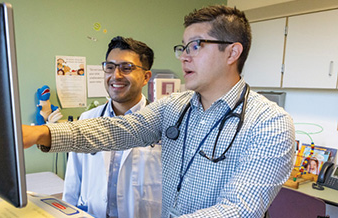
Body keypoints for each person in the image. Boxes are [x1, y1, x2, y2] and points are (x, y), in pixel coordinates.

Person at [23, 5, 295, 218]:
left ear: (232, 52)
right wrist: (39, 133)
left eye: (196, 46)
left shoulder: (269, 124)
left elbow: (241, 209)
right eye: (183, 47)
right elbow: (117, 130)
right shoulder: (174, 107)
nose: (184, 56)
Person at [62, 36, 162, 218]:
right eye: (110, 67)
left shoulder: (162, 124)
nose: (116, 75)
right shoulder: (88, 119)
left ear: (146, 77)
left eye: (127, 68)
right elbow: (72, 182)